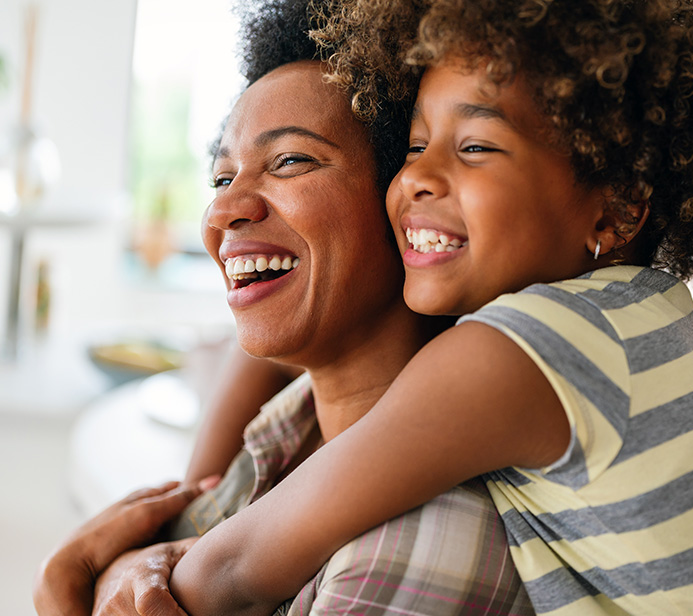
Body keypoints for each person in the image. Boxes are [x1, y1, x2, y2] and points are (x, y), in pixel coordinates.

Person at [112, 2, 693, 615]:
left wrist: (129, 572)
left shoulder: (522, 350)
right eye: (413, 146)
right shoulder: (636, 319)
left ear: (617, 209)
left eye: (475, 147)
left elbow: (240, 566)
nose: (416, 180)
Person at [33, 1, 534, 614]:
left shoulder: (412, 545)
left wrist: (63, 593)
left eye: (291, 160)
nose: (221, 213)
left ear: (406, 204)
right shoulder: (288, 433)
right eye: (222, 178)